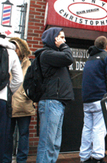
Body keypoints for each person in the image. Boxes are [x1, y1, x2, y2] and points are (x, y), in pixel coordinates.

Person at [36, 27, 74, 163]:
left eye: (64, 38)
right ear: (53, 39)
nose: (64, 40)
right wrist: (63, 46)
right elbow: (69, 57)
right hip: (51, 102)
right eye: (61, 37)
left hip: (57, 103)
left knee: (54, 144)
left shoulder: (54, 55)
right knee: (48, 143)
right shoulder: (47, 54)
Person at [79, 36, 107, 163]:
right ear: (106, 46)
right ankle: (98, 156)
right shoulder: (106, 56)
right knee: (99, 128)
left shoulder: (90, 58)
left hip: (87, 98)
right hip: (99, 98)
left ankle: (84, 156)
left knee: (87, 127)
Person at [3, 37, 35, 163]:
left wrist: (28, 95)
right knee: (7, 135)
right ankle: (6, 159)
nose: (14, 50)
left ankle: (21, 160)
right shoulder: (7, 60)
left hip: (24, 104)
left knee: (23, 134)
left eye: (16, 47)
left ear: (21, 49)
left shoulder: (30, 64)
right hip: (9, 104)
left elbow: (34, 83)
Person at [0, 34, 23, 161]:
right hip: (3, 99)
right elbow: (18, 79)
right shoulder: (11, 52)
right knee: (4, 135)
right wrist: (9, 92)